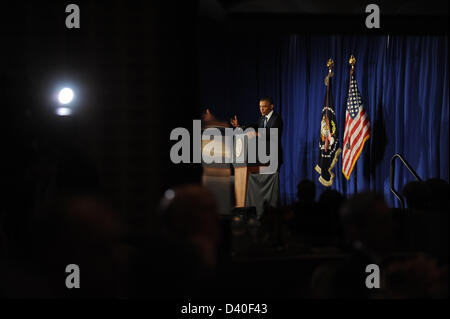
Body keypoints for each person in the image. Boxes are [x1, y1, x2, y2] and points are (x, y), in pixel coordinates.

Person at [230, 96, 283, 169]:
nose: (261, 109)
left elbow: (272, 133)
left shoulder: (277, 118)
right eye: (260, 106)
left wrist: (257, 134)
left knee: (271, 179)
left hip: (273, 156)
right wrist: (239, 126)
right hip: (262, 157)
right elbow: (254, 127)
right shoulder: (262, 118)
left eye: (264, 106)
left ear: (271, 106)